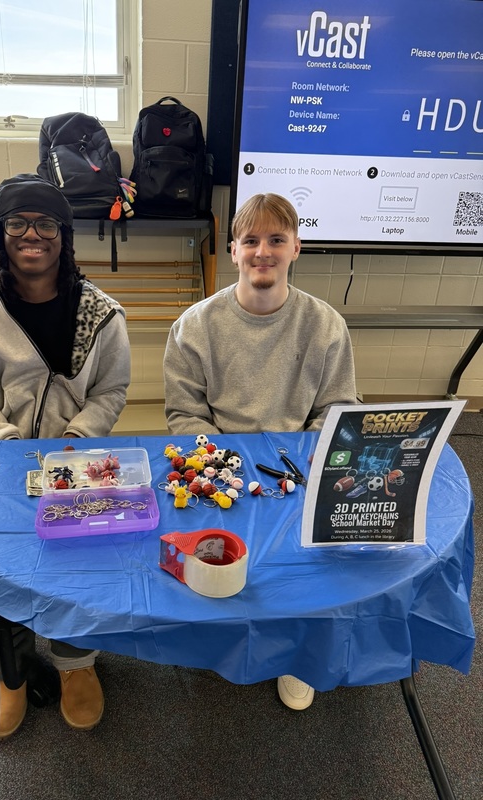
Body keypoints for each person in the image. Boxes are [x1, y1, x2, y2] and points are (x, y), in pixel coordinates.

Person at [0, 173, 131, 737]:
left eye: (46, 223)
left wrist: (80, 436)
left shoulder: (101, 312)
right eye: (18, 223)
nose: (32, 234)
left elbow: (111, 390)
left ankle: (76, 663)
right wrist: (3, 444)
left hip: (74, 463)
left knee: (78, 562)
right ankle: (11, 672)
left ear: (64, 236)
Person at [163, 192, 357, 710]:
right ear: (233, 250)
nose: (262, 252)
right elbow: (185, 414)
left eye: (276, 239)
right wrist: (223, 467)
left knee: (305, 568)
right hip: (222, 470)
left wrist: (312, 456)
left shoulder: (326, 325)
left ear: (296, 248)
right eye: (250, 240)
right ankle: (219, 641)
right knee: (221, 561)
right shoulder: (194, 326)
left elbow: (337, 408)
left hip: (297, 467)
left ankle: (298, 652)